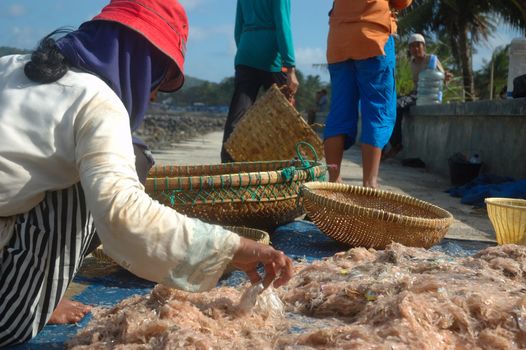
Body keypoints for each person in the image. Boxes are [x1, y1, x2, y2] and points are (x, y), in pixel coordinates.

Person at [0, 0, 293, 346]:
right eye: (159, 79)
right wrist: (231, 248)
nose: (153, 96)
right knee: (109, 172)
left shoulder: (9, 66)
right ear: (141, 62)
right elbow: (125, 216)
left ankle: (37, 289)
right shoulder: (98, 102)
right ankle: (28, 304)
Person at [323, 0, 413, 187]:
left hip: (339, 41)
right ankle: (370, 182)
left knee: (339, 111)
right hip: (373, 37)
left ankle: (333, 180)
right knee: (376, 110)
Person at [220, 0, 300, 163]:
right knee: (283, 116)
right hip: (271, 57)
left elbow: (238, 28)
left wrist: (247, 48)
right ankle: (284, 162)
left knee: (239, 112)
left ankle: (228, 163)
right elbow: (282, 25)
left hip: (246, 52)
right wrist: (290, 67)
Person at [382, 33, 452, 160]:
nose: (415, 49)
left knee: (397, 106)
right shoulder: (412, 63)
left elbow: (442, 76)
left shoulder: (432, 60)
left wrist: (446, 76)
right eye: (412, 47)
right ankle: (383, 146)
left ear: (423, 46)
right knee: (392, 101)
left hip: (426, 95)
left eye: (418, 46)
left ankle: (396, 144)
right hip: (415, 94)